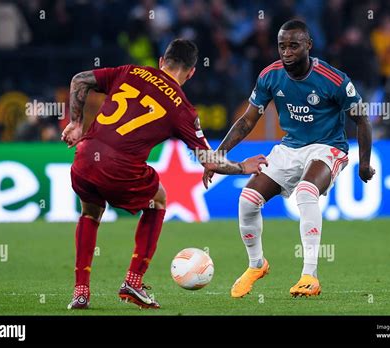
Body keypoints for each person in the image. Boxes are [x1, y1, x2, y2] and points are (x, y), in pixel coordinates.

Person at [61, 39, 267, 309]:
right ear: (191, 72)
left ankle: (80, 292)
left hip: (85, 157)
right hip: (120, 167)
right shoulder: (182, 108)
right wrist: (243, 167)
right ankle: (133, 281)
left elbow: (79, 79)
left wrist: (76, 123)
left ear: (161, 61)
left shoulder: (130, 71)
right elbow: (208, 160)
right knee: (158, 198)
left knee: (90, 213)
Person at [203, 20, 375, 298]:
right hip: (290, 147)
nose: (286, 52)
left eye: (293, 45)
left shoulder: (334, 80)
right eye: (282, 46)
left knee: (306, 192)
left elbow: (362, 119)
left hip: (327, 146)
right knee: (247, 200)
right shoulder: (270, 76)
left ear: (309, 45)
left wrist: (364, 164)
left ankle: (310, 275)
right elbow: (247, 122)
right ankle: (256, 265)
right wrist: (217, 155)